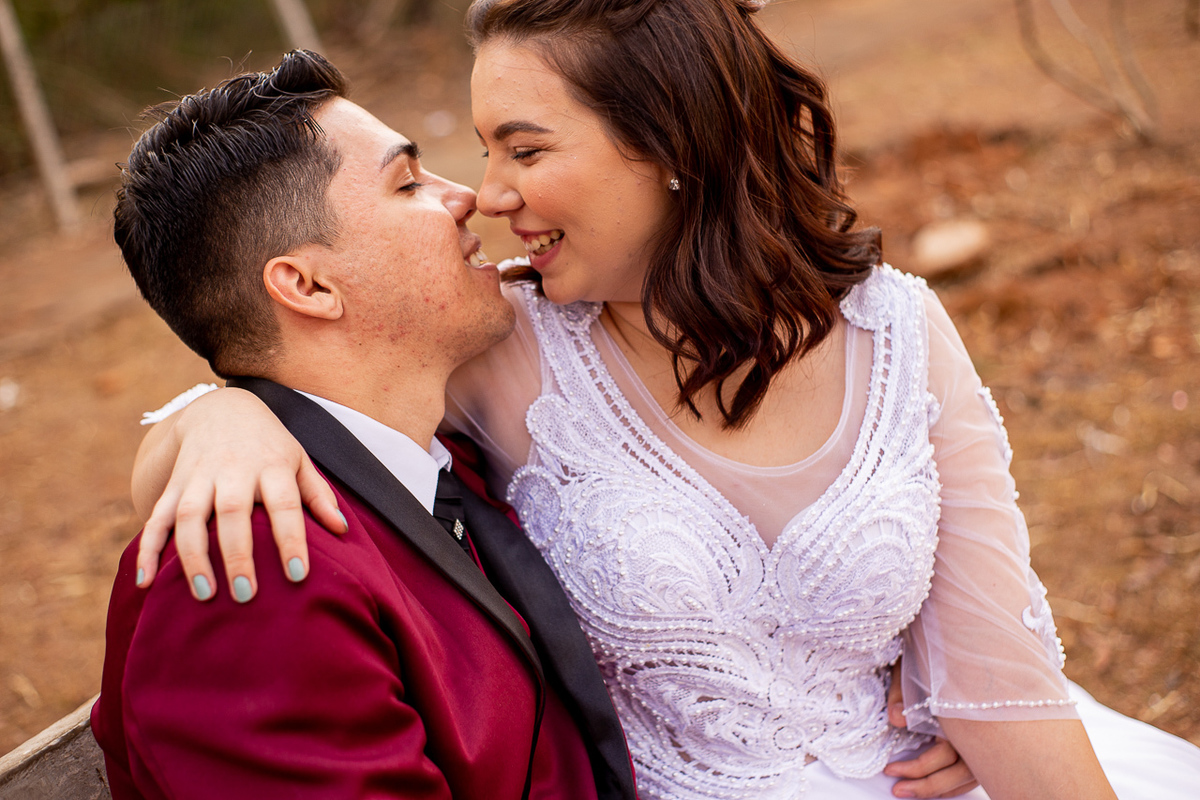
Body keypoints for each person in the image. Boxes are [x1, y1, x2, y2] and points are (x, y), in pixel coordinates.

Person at [128, 1, 1200, 798]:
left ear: (670, 144)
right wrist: (220, 411)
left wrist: (957, 706)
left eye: (525, 146)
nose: (483, 193)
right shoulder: (499, 341)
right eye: (436, 169)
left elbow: (1005, 687)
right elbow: (319, 368)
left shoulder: (893, 326)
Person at [90, 50, 639, 800]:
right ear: (307, 286)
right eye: (408, 183)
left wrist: (213, 408)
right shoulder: (251, 572)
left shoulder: (430, 458)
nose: (466, 197)